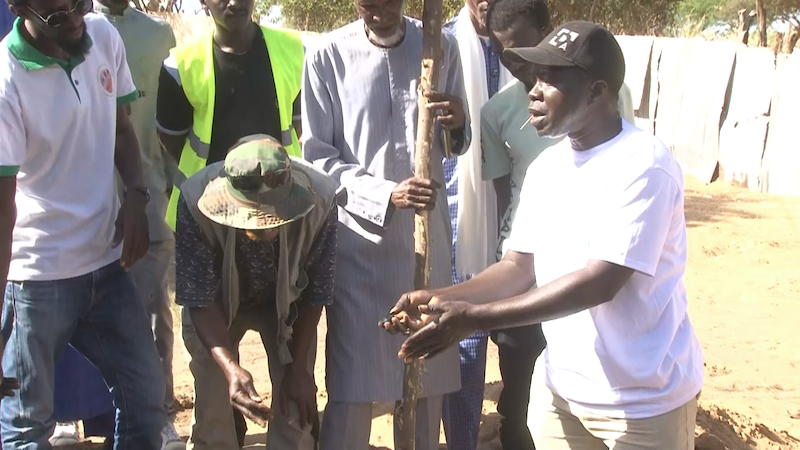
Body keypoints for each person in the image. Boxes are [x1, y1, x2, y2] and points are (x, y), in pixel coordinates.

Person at [386, 22, 704, 450]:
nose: (533, 92)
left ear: (596, 92)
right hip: (561, 395)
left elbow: (600, 282)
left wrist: (475, 318)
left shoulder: (644, 164)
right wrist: (440, 297)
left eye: (550, 80)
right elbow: (518, 267)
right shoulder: (547, 169)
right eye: (534, 78)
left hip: (643, 405)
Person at [302, 0, 469, 448]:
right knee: (353, 389)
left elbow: (455, 143)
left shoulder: (440, 46)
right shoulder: (326, 56)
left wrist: (457, 122)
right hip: (360, 249)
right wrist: (385, 194)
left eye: (388, 0)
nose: (379, 11)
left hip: (426, 247)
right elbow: (318, 160)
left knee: (425, 385)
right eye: (367, 3)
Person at [0, 0, 167, 447]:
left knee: (146, 402)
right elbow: (3, 211)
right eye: (57, 15)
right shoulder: (7, 80)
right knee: (25, 428)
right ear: (18, 8)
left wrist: (135, 196)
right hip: (38, 281)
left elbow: (121, 131)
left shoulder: (104, 37)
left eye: (80, 4)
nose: (75, 21)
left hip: (107, 267)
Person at [480, 2, 636, 448]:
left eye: (524, 48)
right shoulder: (499, 117)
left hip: (587, 268)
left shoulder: (637, 153)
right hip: (527, 263)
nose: (527, 76)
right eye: (504, 52)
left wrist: (471, 315)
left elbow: (602, 278)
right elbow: (506, 203)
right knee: (519, 397)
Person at [155, 0, 303, 444]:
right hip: (207, 230)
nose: (234, 2)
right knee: (214, 382)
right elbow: (170, 141)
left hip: (281, 226)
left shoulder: (292, 51)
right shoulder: (181, 67)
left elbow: (298, 126)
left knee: (291, 371)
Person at [47, 1, 183, 448]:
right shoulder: (66, 33)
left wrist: (157, 193)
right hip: (84, 217)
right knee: (78, 319)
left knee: (154, 315)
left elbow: (163, 122)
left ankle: (162, 412)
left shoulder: (156, 34)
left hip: (148, 197)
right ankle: (70, 412)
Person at [175, 135, 336, 450]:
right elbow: (199, 299)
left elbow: (316, 292)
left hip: (289, 305)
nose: (263, 224)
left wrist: (298, 369)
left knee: (296, 418)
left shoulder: (321, 200)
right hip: (217, 306)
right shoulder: (194, 201)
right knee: (213, 413)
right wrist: (230, 369)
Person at [440, 1, 509, 447]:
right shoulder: (442, 44)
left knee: (521, 344)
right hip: (458, 222)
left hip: (516, 218)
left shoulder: (523, 45)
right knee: (464, 340)